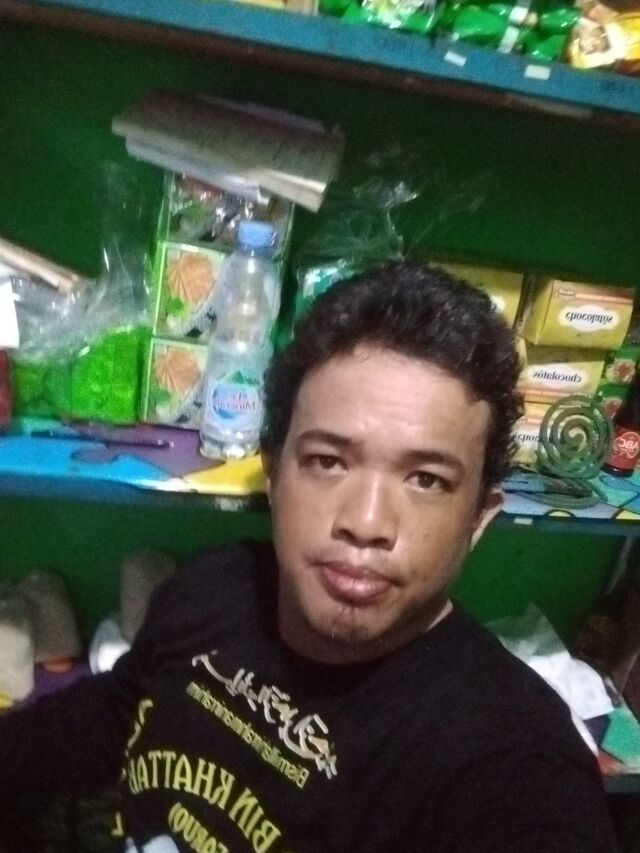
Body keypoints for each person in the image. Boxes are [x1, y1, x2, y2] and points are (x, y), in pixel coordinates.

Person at [0, 263, 616, 852]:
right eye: (327, 461)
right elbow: (115, 709)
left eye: (426, 479)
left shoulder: (512, 763)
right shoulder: (213, 588)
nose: (366, 523)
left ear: (478, 518)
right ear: (274, 476)